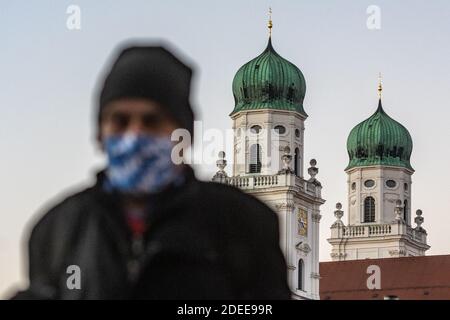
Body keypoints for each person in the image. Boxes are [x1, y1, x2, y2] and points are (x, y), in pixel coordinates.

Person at [11, 43, 290, 299]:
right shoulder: (57, 229)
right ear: (99, 133)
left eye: (152, 121)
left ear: (184, 134)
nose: (135, 134)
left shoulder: (244, 223)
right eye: (120, 121)